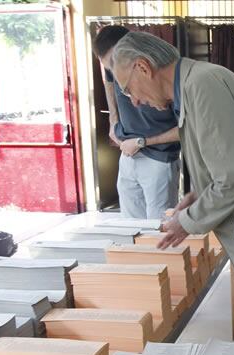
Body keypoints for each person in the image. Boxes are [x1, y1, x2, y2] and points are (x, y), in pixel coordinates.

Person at [111, 31, 234, 349]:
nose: (135, 101)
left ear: (143, 67)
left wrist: (187, 221)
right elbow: (227, 163)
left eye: (128, 90)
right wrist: (196, 197)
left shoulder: (202, 86)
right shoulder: (193, 86)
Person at [93, 26, 181, 220]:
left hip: (160, 157)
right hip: (127, 153)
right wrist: (112, 119)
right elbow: (107, 79)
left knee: (160, 228)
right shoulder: (114, 69)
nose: (134, 99)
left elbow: (187, 129)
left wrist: (142, 142)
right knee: (130, 226)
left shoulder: (168, 77)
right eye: (112, 70)